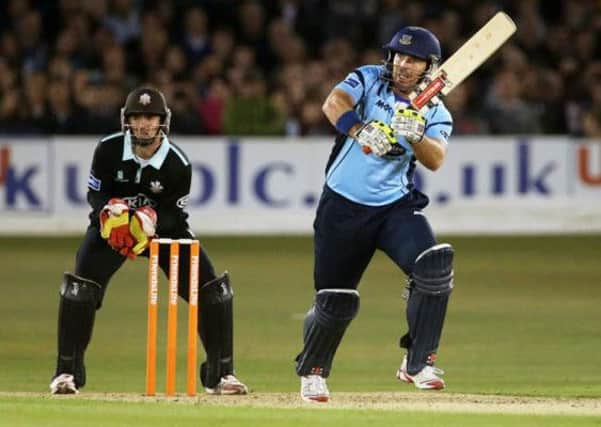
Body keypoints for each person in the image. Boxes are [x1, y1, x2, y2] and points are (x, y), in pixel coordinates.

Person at [50, 86, 248, 396]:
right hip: (112, 233)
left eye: (150, 117)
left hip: (165, 232)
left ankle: (222, 375)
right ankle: (65, 374)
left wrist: (148, 221)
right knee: (79, 290)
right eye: (137, 117)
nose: (143, 124)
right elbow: (95, 192)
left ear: (162, 121)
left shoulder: (177, 163)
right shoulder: (107, 149)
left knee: (213, 291)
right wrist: (109, 210)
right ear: (126, 120)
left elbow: (173, 215)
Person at [295, 27, 455, 402]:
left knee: (433, 264)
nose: (402, 63)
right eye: (399, 55)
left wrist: (416, 135)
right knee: (335, 300)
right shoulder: (368, 79)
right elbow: (333, 103)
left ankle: (417, 363)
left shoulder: (435, 111)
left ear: (428, 67)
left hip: (393, 208)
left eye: (412, 59)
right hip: (342, 208)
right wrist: (360, 129)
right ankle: (313, 371)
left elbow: (436, 160)